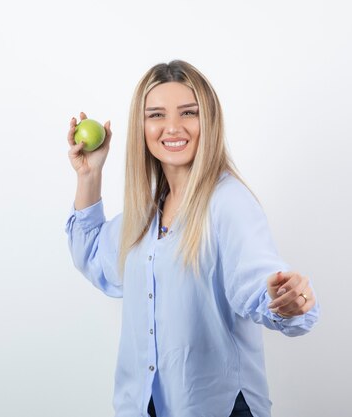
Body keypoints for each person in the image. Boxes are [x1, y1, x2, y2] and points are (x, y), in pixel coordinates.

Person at [65, 60, 319, 417]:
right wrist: (89, 175)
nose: (172, 127)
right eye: (156, 115)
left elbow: (260, 284)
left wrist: (287, 300)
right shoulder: (146, 213)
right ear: (141, 127)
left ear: (209, 121)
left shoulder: (228, 202)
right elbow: (93, 257)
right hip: (145, 405)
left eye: (188, 112)